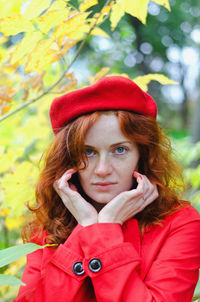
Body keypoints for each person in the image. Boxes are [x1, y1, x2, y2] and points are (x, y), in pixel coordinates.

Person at [14, 76, 200, 302]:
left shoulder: (179, 223)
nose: (102, 170)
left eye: (119, 150)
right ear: (69, 159)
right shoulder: (48, 227)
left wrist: (104, 230)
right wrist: (87, 227)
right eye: (88, 152)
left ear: (143, 155)